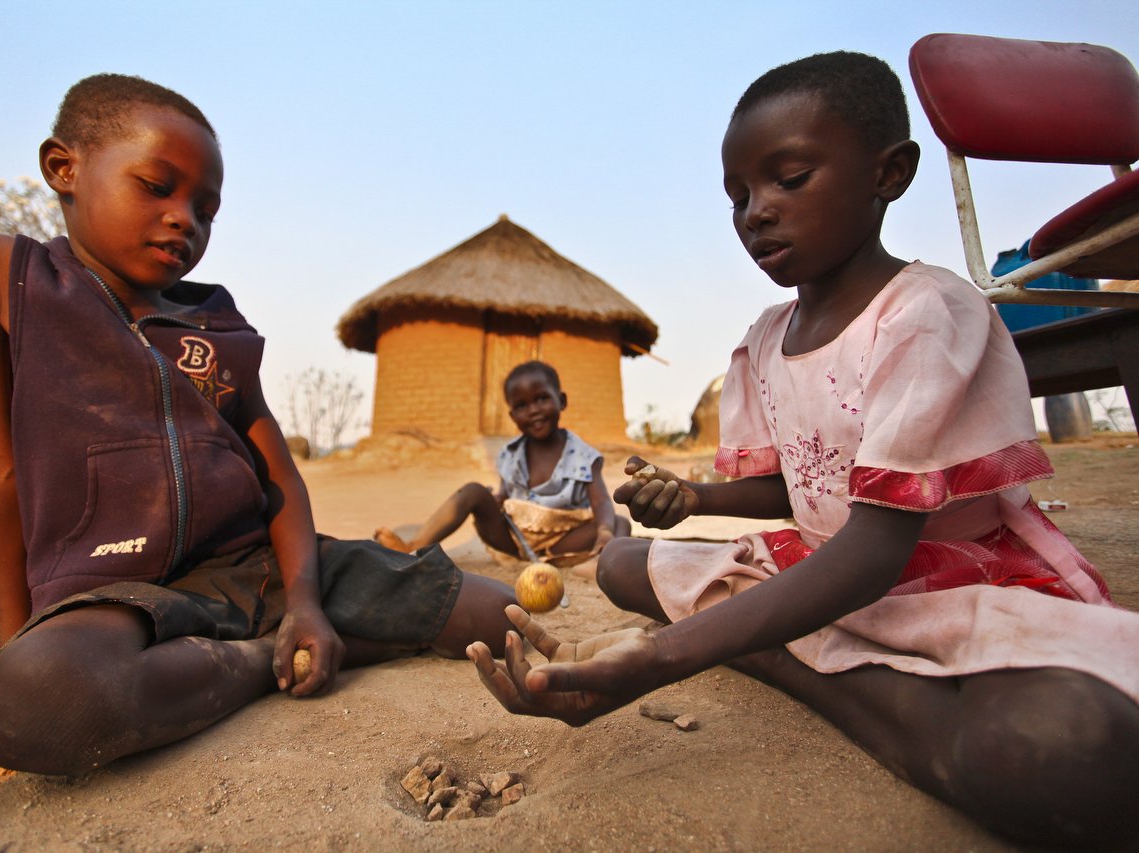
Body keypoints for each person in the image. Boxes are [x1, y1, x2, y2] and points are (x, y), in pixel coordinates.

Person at [467, 52, 1139, 847]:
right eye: (739, 196)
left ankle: (784, 655)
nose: (756, 211)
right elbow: (799, 485)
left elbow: (873, 552)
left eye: (788, 179)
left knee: (1074, 751)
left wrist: (661, 659)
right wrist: (696, 499)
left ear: (888, 173)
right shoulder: (763, 342)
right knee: (619, 563)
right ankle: (793, 643)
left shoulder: (924, 316)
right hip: (810, 560)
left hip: (936, 576)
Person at [0, 73, 516, 779]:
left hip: (258, 572)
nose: (185, 219)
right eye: (156, 186)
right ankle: (254, 663)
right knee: (28, 699)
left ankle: (292, 636)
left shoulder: (219, 323)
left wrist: (303, 601)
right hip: (121, 595)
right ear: (65, 168)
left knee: (501, 614)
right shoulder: (2, 274)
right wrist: (12, 640)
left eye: (206, 210)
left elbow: (278, 478)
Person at [375, 360, 629, 566]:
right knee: (473, 491)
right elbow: (507, 495)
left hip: (564, 541)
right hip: (514, 540)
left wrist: (604, 530)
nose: (533, 410)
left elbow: (601, 502)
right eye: (521, 405)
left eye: (541, 399)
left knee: (619, 524)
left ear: (561, 401)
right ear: (512, 415)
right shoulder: (510, 455)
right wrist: (495, 499)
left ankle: (598, 561)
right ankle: (413, 546)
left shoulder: (583, 456)